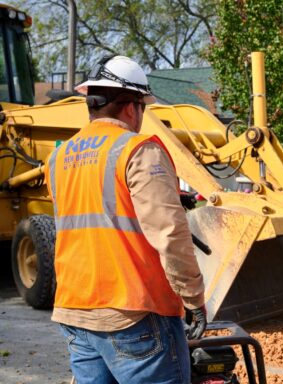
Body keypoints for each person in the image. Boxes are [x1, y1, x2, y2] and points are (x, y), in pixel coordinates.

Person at [46, 55, 206, 384]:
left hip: (76, 311)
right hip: (133, 313)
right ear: (132, 108)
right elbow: (170, 233)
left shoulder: (58, 157)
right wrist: (194, 299)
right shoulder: (137, 150)